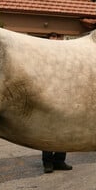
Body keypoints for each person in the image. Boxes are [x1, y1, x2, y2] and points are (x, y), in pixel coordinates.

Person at [42, 32, 72, 174]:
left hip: (64, 98)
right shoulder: (43, 61)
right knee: (48, 131)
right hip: (48, 99)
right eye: (51, 41)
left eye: (57, 41)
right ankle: (47, 162)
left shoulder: (64, 61)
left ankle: (59, 160)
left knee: (64, 130)